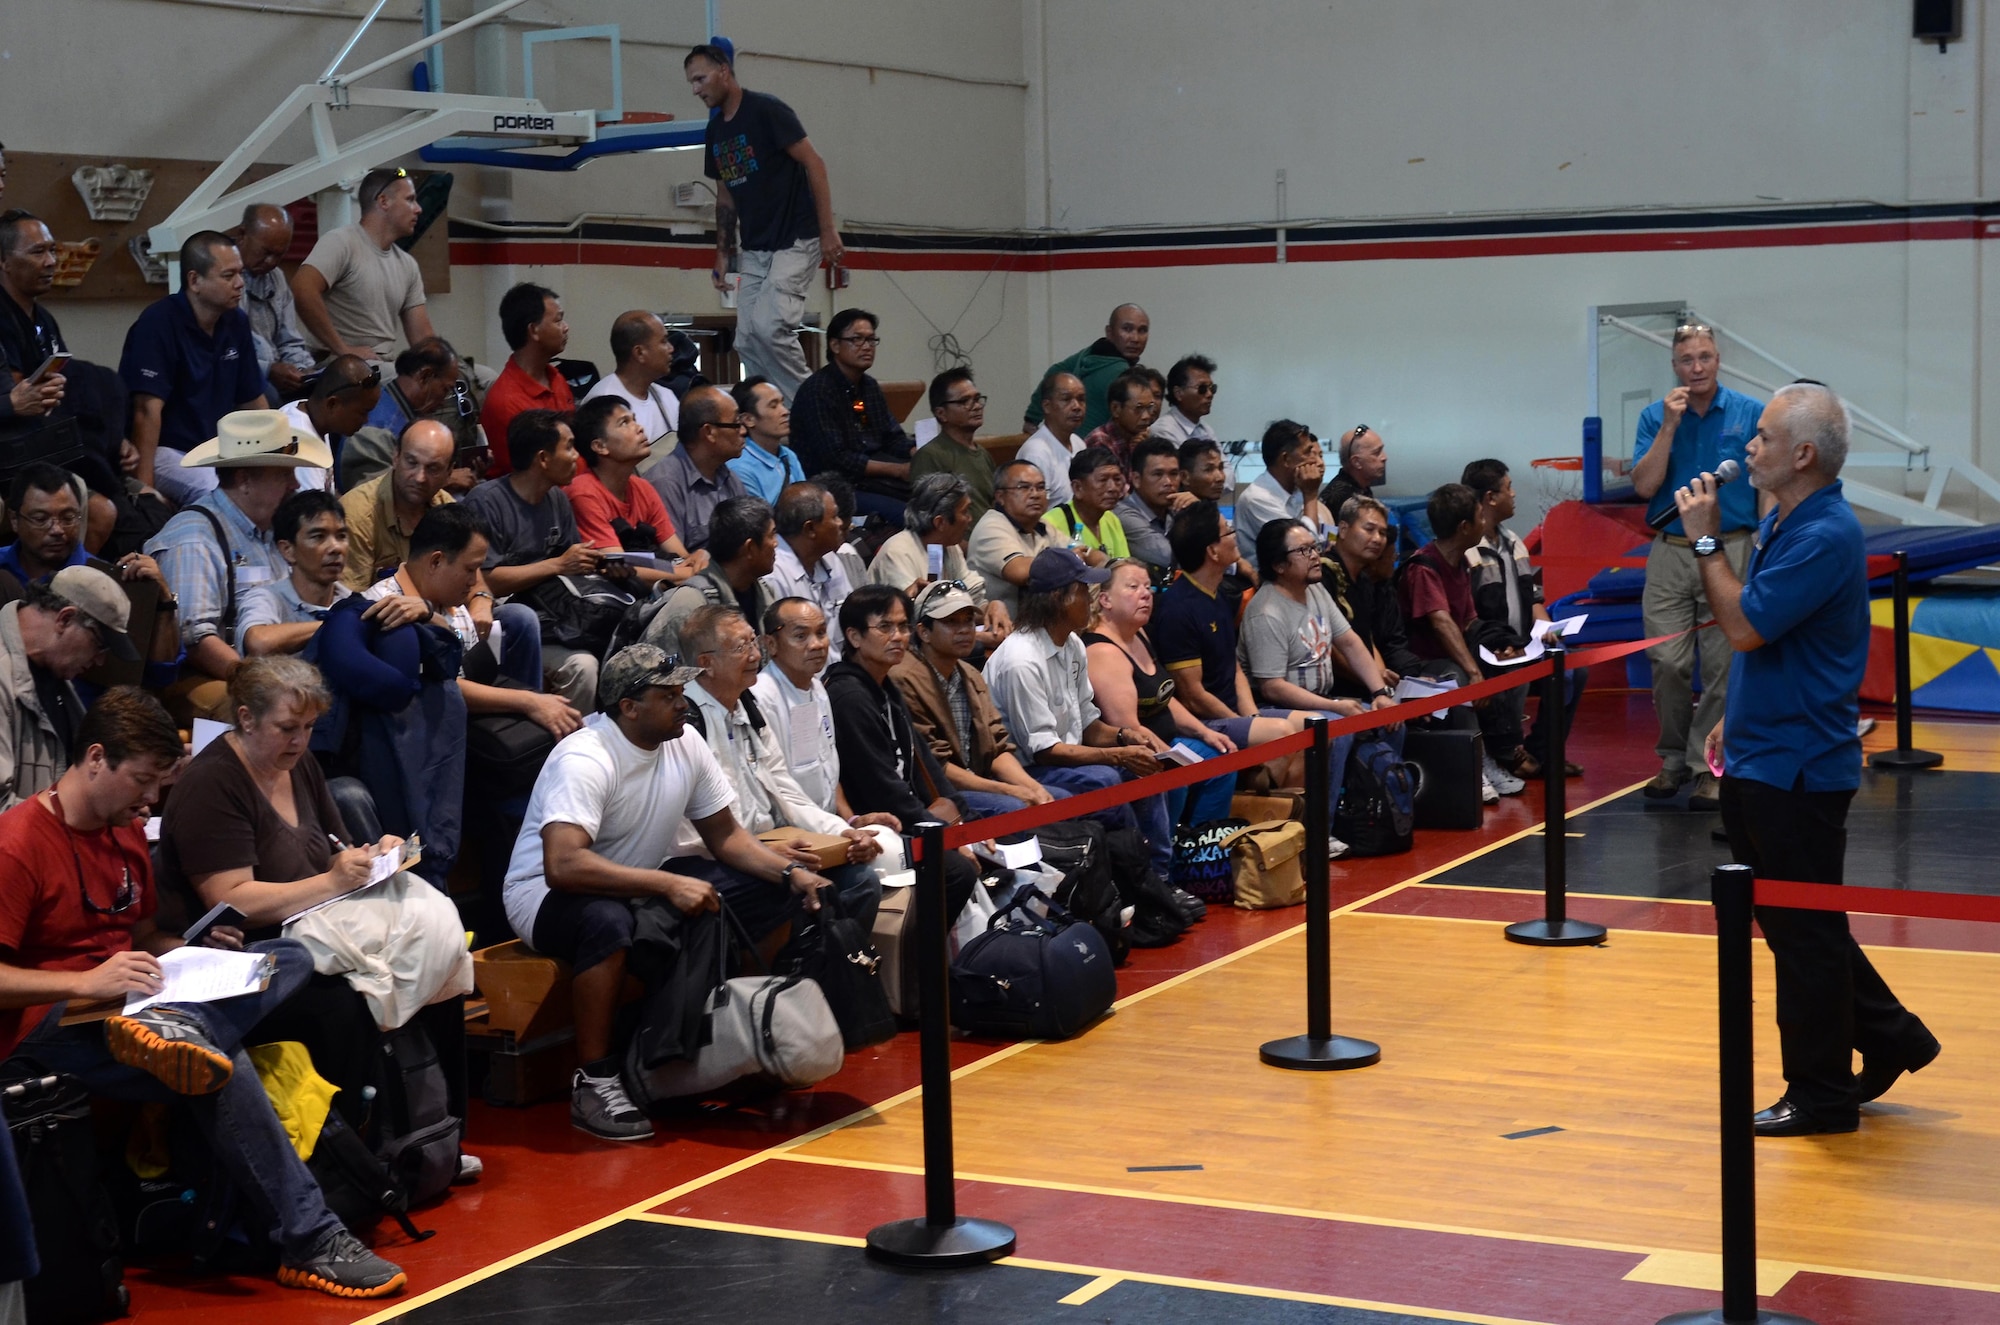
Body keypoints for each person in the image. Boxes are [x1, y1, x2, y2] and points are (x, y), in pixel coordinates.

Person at [0, 687, 407, 1298]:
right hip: (52, 1027)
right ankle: (311, 1239)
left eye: (159, 784)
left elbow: (142, 936)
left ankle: (178, 1029)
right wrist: (85, 981)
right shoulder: (17, 842)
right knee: (217, 1064)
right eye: (141, 781)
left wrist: (185, 945)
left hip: (142, 1004)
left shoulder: (126, 834)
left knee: (290, 956)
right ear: (94, 758)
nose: (150, 800)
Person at [1676, 382, 1940, 1137]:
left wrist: (1702, 541)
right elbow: (1777, 643)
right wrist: (1735, 711)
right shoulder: (1785, 519)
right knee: (1799, 927)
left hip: (1797, 769)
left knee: (1806, 936)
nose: (1746, 446)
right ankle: (1892, 1036)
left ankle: (1821, 1094)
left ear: (1802, 454)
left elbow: (1748, 625)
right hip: (1764, 750)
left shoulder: (1824, 533)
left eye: (1761, 436)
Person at [502, 642, 832, 1140]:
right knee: (606, 923)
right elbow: (563, 865)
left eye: (682, 690)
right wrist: (669, 881)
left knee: (768, 892)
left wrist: (789, 875)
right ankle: (596, 1080)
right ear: (629, 707)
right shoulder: (585, 756)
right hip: (544, 897)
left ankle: (731, 1035)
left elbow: (727, 837)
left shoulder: (685, 741)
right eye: (668, 693)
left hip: (633, 881)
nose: (683, 701)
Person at [156, 656, 471, 1145]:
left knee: (445, 967)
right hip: (250, 952)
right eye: (287, 728)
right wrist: (332, 883)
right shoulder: (212, 782)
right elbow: (232, 899)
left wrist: (376, 856)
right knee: (343, 1005)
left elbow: (334, 852)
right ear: (245, 718)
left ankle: (441, 1133)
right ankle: (364, 1153)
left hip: (317, 925)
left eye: (308, 727)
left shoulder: (298, 764)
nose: (301, 741)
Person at [674, 605, 884, 927]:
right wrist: (765, 853)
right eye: (741, 647)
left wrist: (843, 831)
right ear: (706, 663)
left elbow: (785, 788)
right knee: (795, 896)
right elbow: (692, 833)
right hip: (715, 856)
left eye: (753, 643)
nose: (755, 655)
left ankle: (830, 969)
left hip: (770, 842)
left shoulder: (747, 703)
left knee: (861, 879)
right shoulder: (684, 720)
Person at [1630, 324, 1761, 811]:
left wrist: (1767, 535)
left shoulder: (1749, 412)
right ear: (1674, 367)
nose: (1698, 367)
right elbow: (1644, 487)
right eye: (1688, 360)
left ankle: (1709, 765)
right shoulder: (1654, 416)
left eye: (1705, 357)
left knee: (1724, 661)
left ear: (1719, 360)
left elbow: (1765, 478)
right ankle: (1671, 761)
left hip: (1730, 546)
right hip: (1671, 547)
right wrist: (1668, 426)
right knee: (1667, 659)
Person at [984, 548, 1172, 876]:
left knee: (1145, 770)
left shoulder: (1071, 644)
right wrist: (1116, 755)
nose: (1091, 599)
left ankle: (1160, 875)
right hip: (1029, 768)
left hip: (1064, 759)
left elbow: (1088, 724)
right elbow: (1044, 751)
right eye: (1083, 592)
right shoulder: (1021, 660)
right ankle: (1135, 880)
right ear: (1059, 598)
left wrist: (1126, 737)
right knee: (1105, 778)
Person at [687, 38, 844, 398]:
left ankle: (811, 404)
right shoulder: (716, 132)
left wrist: (827, 230)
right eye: (691, 83)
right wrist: (722, 253)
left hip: (796, 239)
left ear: (724, 72)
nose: (696, 90)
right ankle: (772, 410)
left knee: (770, 327)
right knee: (747, 339)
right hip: (756, 247)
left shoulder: (767, 111)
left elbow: (814, 163)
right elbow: (725, 197)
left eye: (700, 79)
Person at [146, 410, 323, 721]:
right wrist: (263, 683)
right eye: (284, 474)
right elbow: (196, 641)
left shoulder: (271, 531)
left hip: (267, 670)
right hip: (204, 677)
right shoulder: (194, 539)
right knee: (258, 712)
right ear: (244, 479)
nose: (295, 484)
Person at [822, 585, 977, 910]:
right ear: (854, 636)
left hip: (911, 814)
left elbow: (925, 762)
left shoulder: (884, 684)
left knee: (994, 834)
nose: (899, 636)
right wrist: (946, 837)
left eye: (903, 626)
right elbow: (883, 790)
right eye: (885, 627)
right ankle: (922, 961)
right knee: (956, 871)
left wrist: (962, 822)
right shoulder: (848, 697)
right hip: (880, 826)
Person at [1242, 518, 1403, 826]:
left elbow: (1352, 644)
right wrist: (1333, 706)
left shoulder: (1316, 592)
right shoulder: (1266, 612)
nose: (1316, 555)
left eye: (1314, 547)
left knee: (1391, 721)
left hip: (1323, 699)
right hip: (1279, 708)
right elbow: (1272, 687)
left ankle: (1378, 813)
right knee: (1335, 730)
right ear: (1279, 565)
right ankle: (1321, 829)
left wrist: (1380, 694)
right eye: (1304, 550)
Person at [462, 410, 604, 711]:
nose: (577, 456)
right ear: (543, 458)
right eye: (569, 447)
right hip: (503, 623)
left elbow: (571, 568)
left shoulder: (558, 500)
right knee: (583, 668)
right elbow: (485, 580)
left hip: (553, 617)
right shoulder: (486, 501)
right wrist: (559, 564)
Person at [1151, 502, 1308, 776]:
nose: (1235, 536)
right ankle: (1263, 804)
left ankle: (1295, 809)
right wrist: (1240, 724)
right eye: (1228, 531)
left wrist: (1251, 719)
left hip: (1233, 712)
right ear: (1212, 551)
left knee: (1316, 727)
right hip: (1206, 720)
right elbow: (1193, 695)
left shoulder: (1219, 593)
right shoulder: (1178, 608)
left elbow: (1232, 666)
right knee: (1282, 733)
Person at [1397, 484, 1529, 798]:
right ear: (1464, 528)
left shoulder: (1461, 565)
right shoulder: (1423, 568)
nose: (1485, 524)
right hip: (1423, 662)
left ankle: (1505, 751)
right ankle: (1476, 762)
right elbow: (1442, 622)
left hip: (1454, 653)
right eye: (1480, 519)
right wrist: (1473, 672)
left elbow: (1468, 620)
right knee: (1457, 679)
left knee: (1509, 665)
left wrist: (1503, 644)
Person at [1084, 560, 1238, 828]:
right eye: (1133, 587)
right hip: (1130, 752)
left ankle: (1202, 846)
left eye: (1147, 586)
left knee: (1221, 759)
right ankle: (1166, 858)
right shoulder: (1103, 652)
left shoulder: (1138, 633)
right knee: (1173, 777)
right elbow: (1128, 727)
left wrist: (1203, 731)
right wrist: (1172, 756)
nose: (1146, 593)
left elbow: (1164, 697)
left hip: (1167, 739)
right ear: (1105, 600)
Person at [120, 231, 270, 495]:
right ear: (194, 280)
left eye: (240, 273)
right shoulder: (157, 323)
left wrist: (277, 454)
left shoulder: (236, 322)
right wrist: (144, 492)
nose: (240, 284)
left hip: (218, 448)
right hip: (168, 451)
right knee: (216, 492)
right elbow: (146, 412)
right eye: (228, 275)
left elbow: (252, 399)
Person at [1462, 459, 1587, 777]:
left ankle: (1544, 752)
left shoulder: (1514, 542)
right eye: (1509, 488)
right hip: (1489, 650)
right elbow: (1466, 613)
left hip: (1524, 644)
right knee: (1510, 667)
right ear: (1490, 497)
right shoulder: (1468, 550)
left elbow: (1532, 597)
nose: (1514, 494)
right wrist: (1501, 643)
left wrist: (1547, 630)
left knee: (1573, 669)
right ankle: (1506, 751)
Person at [891, 580, 1056, 817]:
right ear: (923, 631)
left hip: (979, 782)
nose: (964, 630)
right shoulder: (904, 678)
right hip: (937, 793)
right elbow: (933, 766)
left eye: (969, 620)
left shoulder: (970, 674)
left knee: (1058, 799)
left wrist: (1033, 788)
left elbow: (997, 748)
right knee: (1014, 807)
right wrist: (1009, 790)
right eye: (950, 622)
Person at [0, 568, 141, 809]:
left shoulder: (55, 675)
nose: (99, 661)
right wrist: (86, 816)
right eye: (99, 645)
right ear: (64, 619)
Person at [292, 166, 434, 362]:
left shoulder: (408, 264)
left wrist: (445, 368)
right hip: (343, 367)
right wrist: (342, 349)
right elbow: (302, 289)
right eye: (410, 200)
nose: (418, 208)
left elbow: (422, 337)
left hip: (383, 365)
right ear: (384, 201)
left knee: (479, 377)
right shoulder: (341, 242)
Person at [566, 396, 702, 592]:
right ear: (600, 446)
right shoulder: (583, 493)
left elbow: (679, 555)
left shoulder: (643, 487)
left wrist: (698, 561)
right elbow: (621, 568)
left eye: (634, 419)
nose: (639, 428)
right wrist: (695, 575)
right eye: (624, 423)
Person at [789, 309, 913, 521]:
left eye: (871, 340)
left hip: (872, 480)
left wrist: (915, 451)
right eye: (857, 339)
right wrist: (896, 470)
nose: (866, 346)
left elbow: (891, 437)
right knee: (909, 516)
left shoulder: (869, 386)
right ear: (835, 345)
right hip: (831, 488)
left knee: (933, 499)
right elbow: (837, 458)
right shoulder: (818, 390)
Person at [866, 474, 1006, 637]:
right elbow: (913, 626)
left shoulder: (949, 546)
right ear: (940, 523)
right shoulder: (897, 552)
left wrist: (993, 608)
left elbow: (973, 602)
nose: (970, 519)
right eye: (965, 511)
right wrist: (979, 637)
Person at [644, 495, 777, 658]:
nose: (776, 543)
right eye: (771, 535)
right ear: (749, 548)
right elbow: (662, 676)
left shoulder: (765, 594)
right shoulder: (690, 605)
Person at [752, 597, 849, 818]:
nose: (816, 644)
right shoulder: (761, 696)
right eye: (800, 636)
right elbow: (774, 786)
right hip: (789, 831)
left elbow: (829, 768)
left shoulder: (818, 688)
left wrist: (851, 820)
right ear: (771, 644)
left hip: (828, 824)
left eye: (821, 632)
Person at [1326, 496, 1423, 697]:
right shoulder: (1324, 573)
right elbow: (1330, 648)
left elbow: (1367, 639)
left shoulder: (1363, 580)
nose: (1378, 539)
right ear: (1343, 529)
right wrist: (1375, 682)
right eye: (1369, 530)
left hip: (1366, 683)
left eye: (1382, 533)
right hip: (1336, 688)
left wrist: (1381, 680)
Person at [238, 490, 354, 656]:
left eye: (341, 536)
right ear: (288, 550)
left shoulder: (352, 601)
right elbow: (259, 643)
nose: (335, 548)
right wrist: (340, 623)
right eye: (319, 537)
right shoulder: (266, 599)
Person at [340, 419, 454, 588]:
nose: (419, 477)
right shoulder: (358, 514)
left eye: (433, 469)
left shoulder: (448, 509)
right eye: (412, 463)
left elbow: (472, 582)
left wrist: (481, 598)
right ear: (395, 457)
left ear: (449, 472)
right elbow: (352, 602)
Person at [477, 283, 574, 479]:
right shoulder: (506, 402)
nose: (566, 327)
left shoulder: (556, 378)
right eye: (558, 321)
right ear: (534, 330)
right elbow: (534, 477)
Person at [344, 336, 463, 490]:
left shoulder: (392, 402)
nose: (444, 400)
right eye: (445, 389)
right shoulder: (377, 429)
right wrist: (445, 480)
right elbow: (375, 496)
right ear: (424, 376)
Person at [649, 384, 750, 554]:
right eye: (736, 424)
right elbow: (675, 561)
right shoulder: (665, 483)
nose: (744, 431)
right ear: (709, 432)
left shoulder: (728, 476)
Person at [759, 482, 851, 663]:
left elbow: (851, 622)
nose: (841, 523)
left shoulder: (831, 558)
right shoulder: (773, 575)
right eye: (834, 517)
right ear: (810, 529)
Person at [1024, 304, 1150, 434]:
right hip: (1095, 447)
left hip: (1068, 441)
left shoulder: (1090, 353)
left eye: (1142, 330)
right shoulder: (1123, 373)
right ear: (1109, 332)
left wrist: (1031, 420)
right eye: (1127, 329)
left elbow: (1053, 373)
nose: (1135, 338)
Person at [231, 204, 313, 399]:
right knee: (269, 394)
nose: (271, 261)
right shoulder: (226, 278)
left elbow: (290, 341)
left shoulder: (277, 278)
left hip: (277, 372)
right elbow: (229, 349)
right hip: (239, 372)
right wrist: (269, 370)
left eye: (279, 254)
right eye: (265, 252)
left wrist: (304, 370)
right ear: (242, 235)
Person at [0, 211, 68, 431]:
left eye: (52, 251)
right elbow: (14, 391)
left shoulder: (44, 319)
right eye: (38, 252)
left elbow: (63, 378)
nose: (50, 262)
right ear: (4, 260)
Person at [968, 460, 1059, 620]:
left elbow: (1084, 552)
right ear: (1000, 497)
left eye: (1040, 487)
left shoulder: (1042, 525)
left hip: (1036, 626)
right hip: (1001, 631)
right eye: (1024, 488)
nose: (1035, 494)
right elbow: (1020, 571)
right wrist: (1066, 558)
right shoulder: (991, 526)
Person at [279, 354, 381, 491]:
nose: (366, 420)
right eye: (363, 413)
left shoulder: (311, 413)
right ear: (332, 404)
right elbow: (314, 511)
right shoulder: (301, 443)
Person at [908, 368, 997, 523]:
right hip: (958, 545)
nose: (976, 406)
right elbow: (927, 520)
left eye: (977, 399)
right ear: (941, 413)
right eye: (964, 401)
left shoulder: (983, 454)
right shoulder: (930, 456)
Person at [581, 311, 680, 448]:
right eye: (663, 341)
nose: (671, 348)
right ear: (639, 353)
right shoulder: (602, 400)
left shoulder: (666, 396)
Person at [1236, 420, 1314, 561]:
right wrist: (1311, 495)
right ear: (1286, 459)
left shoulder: (1297, 489)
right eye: (1308, 452)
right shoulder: (1258, 499)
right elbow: (1306, 552)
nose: (1315, 460)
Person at [1113, 436, 1191, 574]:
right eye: (1158, 474)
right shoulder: (1124, 515)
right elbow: (1174, 559)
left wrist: (1199, 511)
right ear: (1136, 479)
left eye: (1173, 474)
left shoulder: (1177, 510)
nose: (1168, 482)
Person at [1042, 446, 1130, 566]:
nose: (1112, 488)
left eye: (1117, 479)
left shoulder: (1111, 519)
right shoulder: (1051, 524)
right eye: (1103, 480)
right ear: (1078, 488)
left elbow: (1123, 567)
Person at [727, 376, 806, 502]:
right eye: (773, 406)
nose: (785, 411)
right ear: (748, 419)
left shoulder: (789, 456)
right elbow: (757, 518)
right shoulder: (739, 467)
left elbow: (806, 503)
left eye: (783, 403)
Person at [1017, 371, 1089, 508]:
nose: (1077, 407)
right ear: (1047, 406)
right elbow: (1035, 511)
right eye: (1066, 399)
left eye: (1081, 399)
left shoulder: (1078, 443)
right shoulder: (1037, 452)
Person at [1081, 369, 1161, 480]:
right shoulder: (1100, 441)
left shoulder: (1143, 438)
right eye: (1139, 408)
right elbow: (1116, 491)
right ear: (1116, 409)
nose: (1146, 416)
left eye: (1149, 407)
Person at [1322, 425, 1388, 526]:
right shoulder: (1342, 498)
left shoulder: (1361, 487)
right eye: (1377, 453)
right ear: (1356, 462)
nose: (1384, 457)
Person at [1151, 354, 1218, 445]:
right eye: (1202, 388)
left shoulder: (1206, 430)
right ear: (1178, 393)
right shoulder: (1164, 431)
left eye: (1212, 388)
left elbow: (1221, 459)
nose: (1210, 394)